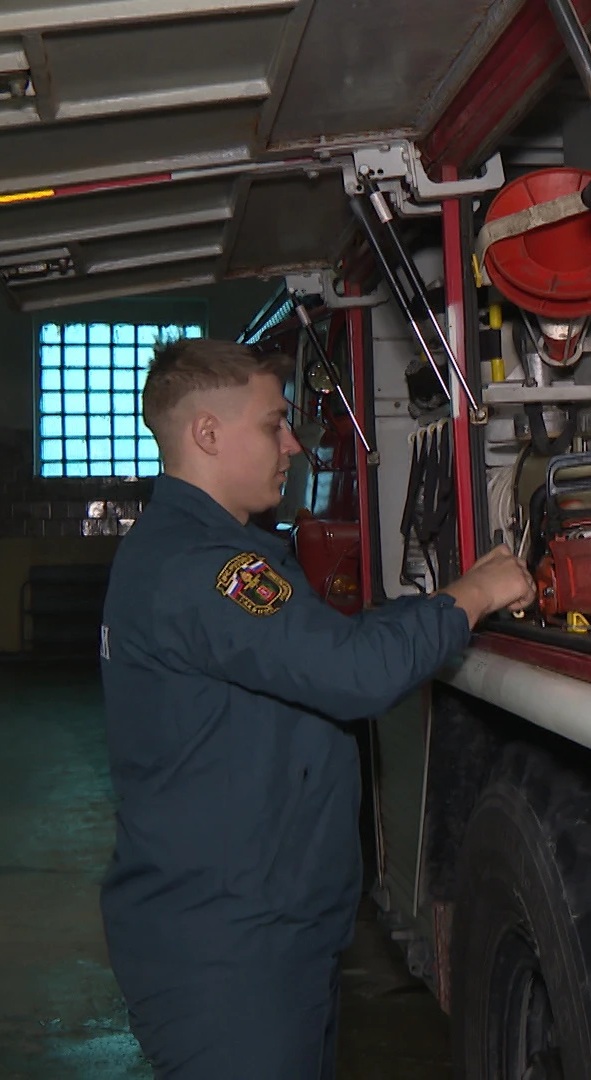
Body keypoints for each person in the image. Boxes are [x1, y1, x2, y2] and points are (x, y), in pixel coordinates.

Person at [98, 338, 535, 1078]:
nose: (292, 444)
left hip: (254, 932)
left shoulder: (202, 552)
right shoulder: (206, 571)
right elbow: (355, 671)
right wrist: (477, 594)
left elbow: (329, 644)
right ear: (207, 433)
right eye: (273, 424)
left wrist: (434, 607)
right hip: (231, 952)